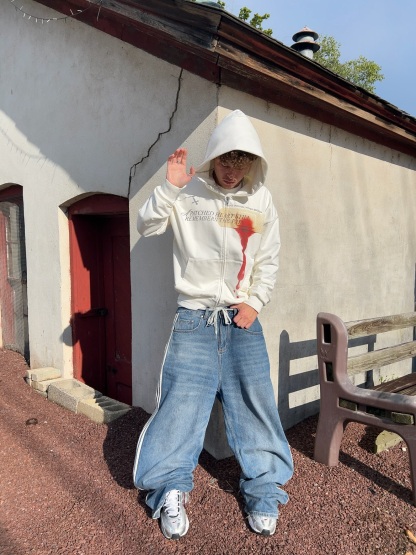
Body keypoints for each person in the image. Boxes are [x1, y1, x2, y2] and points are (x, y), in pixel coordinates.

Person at [133, 109, 293, 540]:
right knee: (180, 407)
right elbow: (146, 225)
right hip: (194, 319)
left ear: (253, 163)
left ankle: (264, 488)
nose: (232, 171)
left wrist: (255, 302)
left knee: (256, 405)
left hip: (242, 320)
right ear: (215, 156)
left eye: (241, 162)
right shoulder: (189, 191)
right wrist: (170, 187)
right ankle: (169, 487)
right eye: (226, 160)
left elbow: (268, 258)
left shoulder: (261, 200)